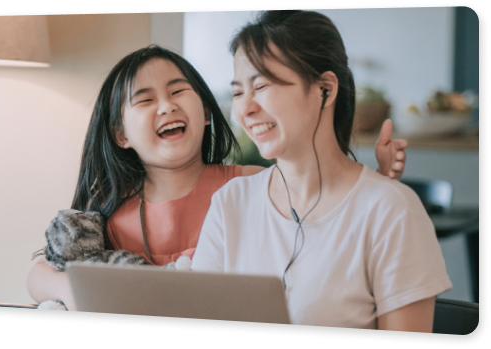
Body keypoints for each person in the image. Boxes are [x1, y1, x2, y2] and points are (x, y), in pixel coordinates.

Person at [27, 45, 408, 311]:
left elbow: (328, 217)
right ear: (120, 135)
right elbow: (39, 272)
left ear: (207, 113)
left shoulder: (248, 183)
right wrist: (68, 288)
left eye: (178, 91)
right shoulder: (108, 205)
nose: (167, 105)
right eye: (145, 100)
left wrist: (378, 179)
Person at [191, 10, 452, 332]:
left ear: (324, 89)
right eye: (238, 92)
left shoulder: (392, 211)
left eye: (261, 86)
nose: (245, 109)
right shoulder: (229, 203)